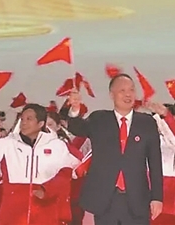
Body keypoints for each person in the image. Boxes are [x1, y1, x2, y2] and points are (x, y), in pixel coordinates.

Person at [0, 103, 81, 225]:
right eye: (22, 118)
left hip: (47, 215)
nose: (24, 122)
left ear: (41, 123)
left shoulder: (58, 146)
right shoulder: (8, 144)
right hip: (13, 216)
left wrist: (47, 190)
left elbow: (71, 170)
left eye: (29, 119)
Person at [66, 73, 163, 225]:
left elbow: (155, 163)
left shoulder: (147, 123)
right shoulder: (99, 119)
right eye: (122, 90)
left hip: (136, 200)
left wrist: (157, 197)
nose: (128, 94)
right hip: (105, 199)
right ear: (112, 95)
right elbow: (77, 128)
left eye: (131, 90)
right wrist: (75, 108)